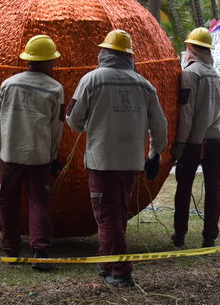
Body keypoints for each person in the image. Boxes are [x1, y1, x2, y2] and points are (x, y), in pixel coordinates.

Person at [66, 29, 168, 287]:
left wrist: (89, 122)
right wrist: (154, 154)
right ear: (129, 56)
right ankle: (106, 261)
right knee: (118, 214)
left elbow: (74, 120)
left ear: (105, 53)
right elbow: (160, 126)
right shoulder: (144, 84)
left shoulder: (91, 80)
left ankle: (120, 272)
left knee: (107, 216)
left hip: (102, 161)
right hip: (131, 163)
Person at [0, 34, 64, 272]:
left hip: (10, 154)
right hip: (40, 156)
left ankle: (10, 250)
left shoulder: (8, 84)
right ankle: (40, 250)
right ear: (45, 62)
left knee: (7, 202)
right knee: (39, 203)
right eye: (52, 60)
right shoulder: (55, 89)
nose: (54, 65)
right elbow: (57, 127)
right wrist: (53, 156)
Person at [171, 27, 220, 248]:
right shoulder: (213, 73)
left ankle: (180, 234)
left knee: (183, 189)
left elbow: (186, 112)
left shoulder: (190, 74)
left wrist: (180, 143)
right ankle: (210, 236)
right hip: (217, 140)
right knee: (214, 190)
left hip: (195, 142)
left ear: (191, 48)